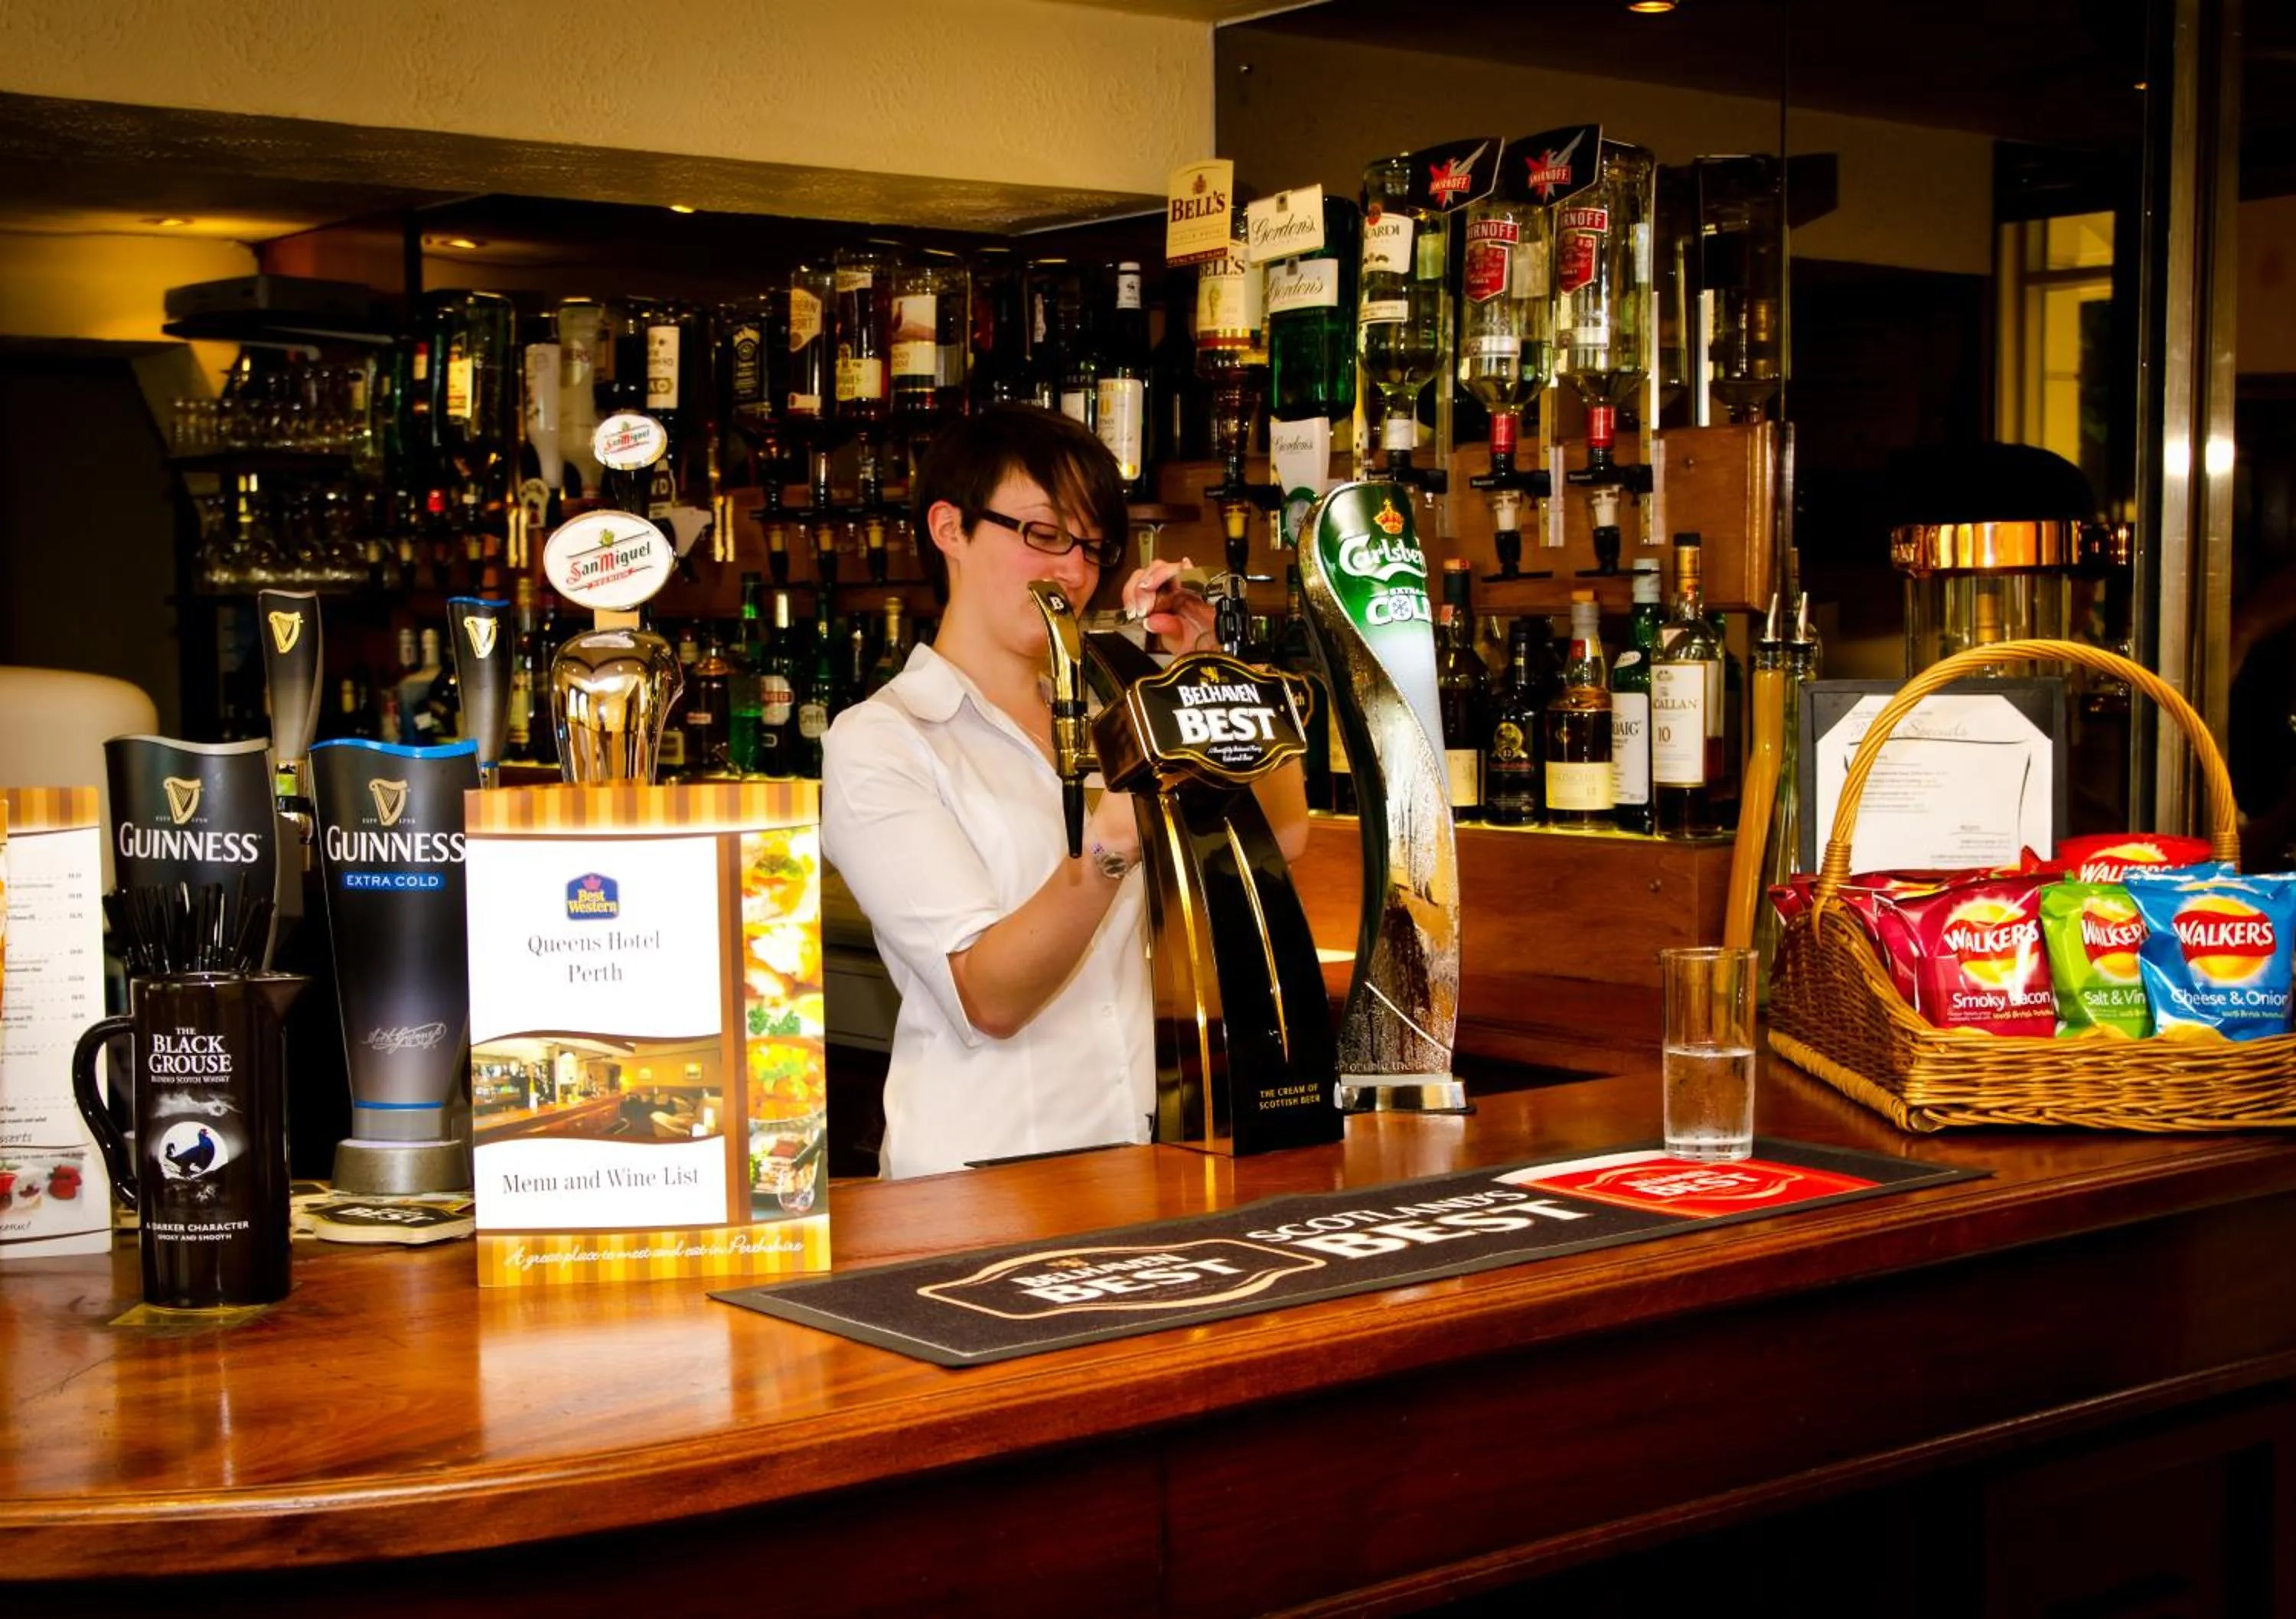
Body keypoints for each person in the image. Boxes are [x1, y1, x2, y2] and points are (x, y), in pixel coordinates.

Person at [822, 405, 1308, 1178]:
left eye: (1092, 547)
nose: (1074, 573)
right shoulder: (885, 738)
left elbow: (1279, 836)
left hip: (1140, 1159)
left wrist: (1210, 672)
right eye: (1044, 535)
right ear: (950, 528)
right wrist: (1108, 850)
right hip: (980, 1178)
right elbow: (989, 996)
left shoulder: (1117, 706)